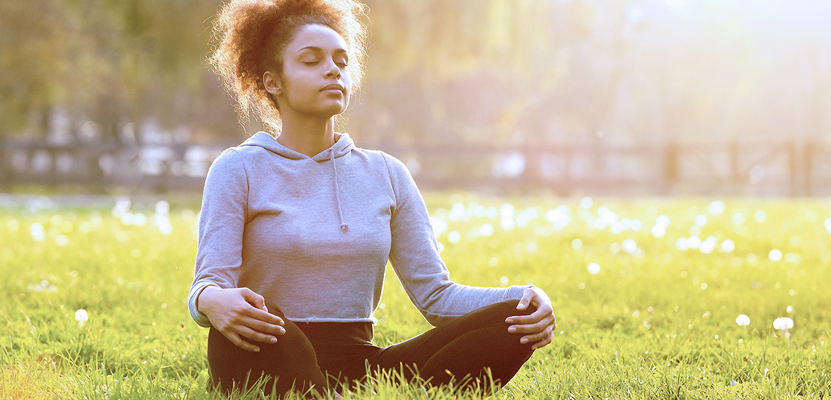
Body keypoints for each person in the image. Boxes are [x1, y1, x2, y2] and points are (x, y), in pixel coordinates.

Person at [187, 0, 555, 397]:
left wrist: (524, 298)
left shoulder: (386, 173)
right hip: (271, 346)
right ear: (273, 81)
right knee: (254, 326)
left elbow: (436, 296)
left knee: (511, 322)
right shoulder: (238, 168)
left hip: (362, 364)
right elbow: (209, 282)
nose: (333, 70)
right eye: (311, 61)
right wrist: (212, 302)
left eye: (341, 61)